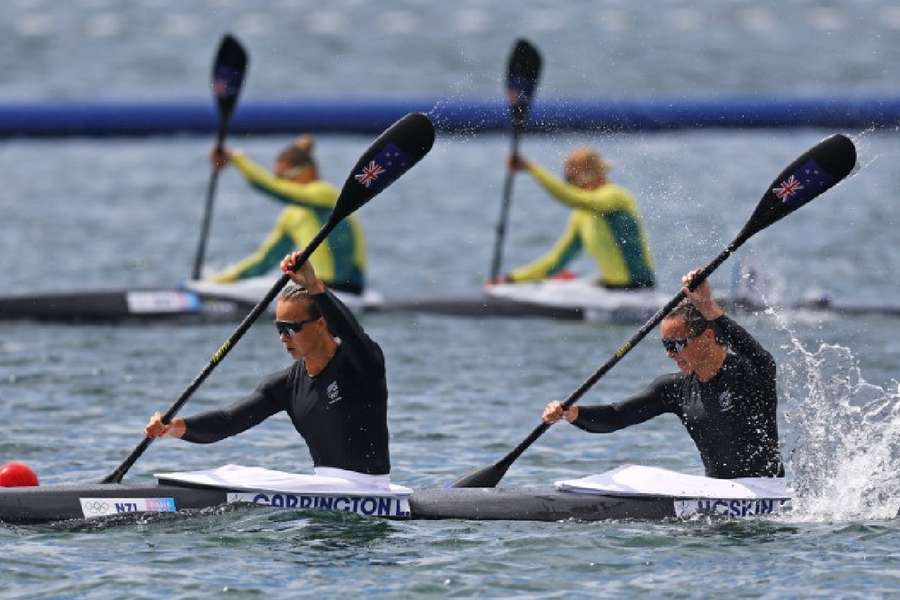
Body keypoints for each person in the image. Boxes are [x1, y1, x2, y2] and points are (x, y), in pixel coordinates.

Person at [146, 250, 389, 479]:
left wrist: (315, 286)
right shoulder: (285, 386)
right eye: (279, 328)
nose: (284, 337)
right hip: (325, 495)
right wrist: (175, 428)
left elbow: (352, 333)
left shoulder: (363, 365)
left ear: (322, 324)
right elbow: (228, 421)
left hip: (370, 490)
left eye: (292, 328)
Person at [542, 270, 784, 479]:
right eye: (666, 346)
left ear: (708, 337)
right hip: (718, 495)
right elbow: (619, 415)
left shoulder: (750, 373)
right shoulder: (675, 390)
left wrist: (709, 307)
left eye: (676, 345)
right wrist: (572, 413)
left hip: (766, 492)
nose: (670, 355)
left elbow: (760, 356)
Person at [208, 136, 367, 294]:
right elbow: (265, 260)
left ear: (308, 170)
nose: (282, 182)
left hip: (346, 288)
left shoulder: (326, 194)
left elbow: (273, 189)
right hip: (315, 287)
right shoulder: (291, 215)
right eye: (279, 178)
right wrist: (217, 283)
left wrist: (236, 158)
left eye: (284, 177)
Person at [492, 147, 655, 289]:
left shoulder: (615, 197)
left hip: (638, 288)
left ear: (590, 174)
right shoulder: (581, 214)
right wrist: (511, 279)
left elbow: (571, 198)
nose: (571, 184)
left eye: (572, 178)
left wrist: (531, 168)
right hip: (611, 287)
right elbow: (558, 260)